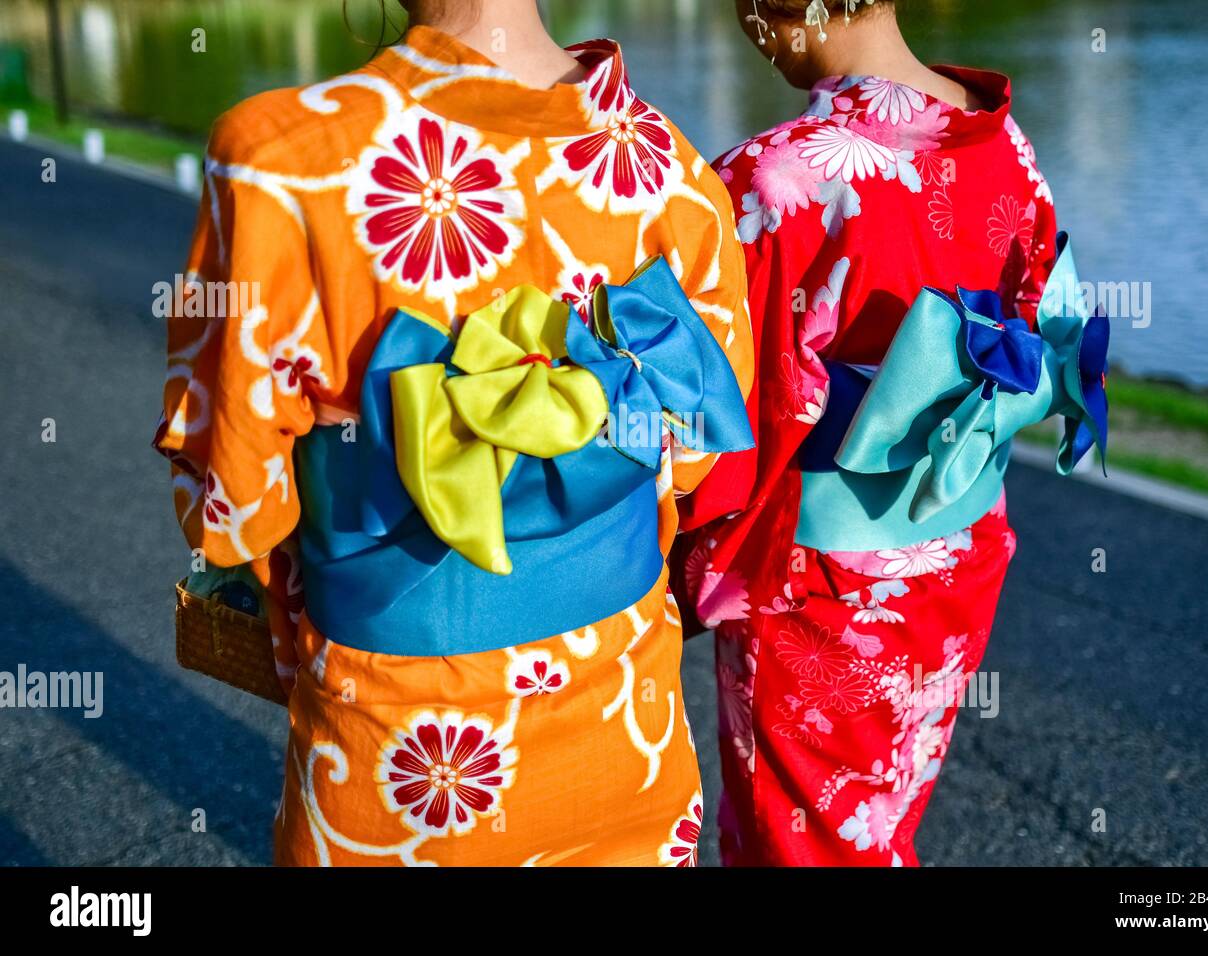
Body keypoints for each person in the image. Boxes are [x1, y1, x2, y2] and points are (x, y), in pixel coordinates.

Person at [153, 0, 754, 866]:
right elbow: (692, 458)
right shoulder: (671, 170)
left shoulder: (281, 165)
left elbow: (231, 506)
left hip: (404, 751)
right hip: (627, 730)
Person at [674, 0, 1106, 865]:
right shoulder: (1001, 142)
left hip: (825, 586)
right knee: (876, 824)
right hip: (960, 547)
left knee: (800, 842)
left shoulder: (771, 179)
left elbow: (713, 421)